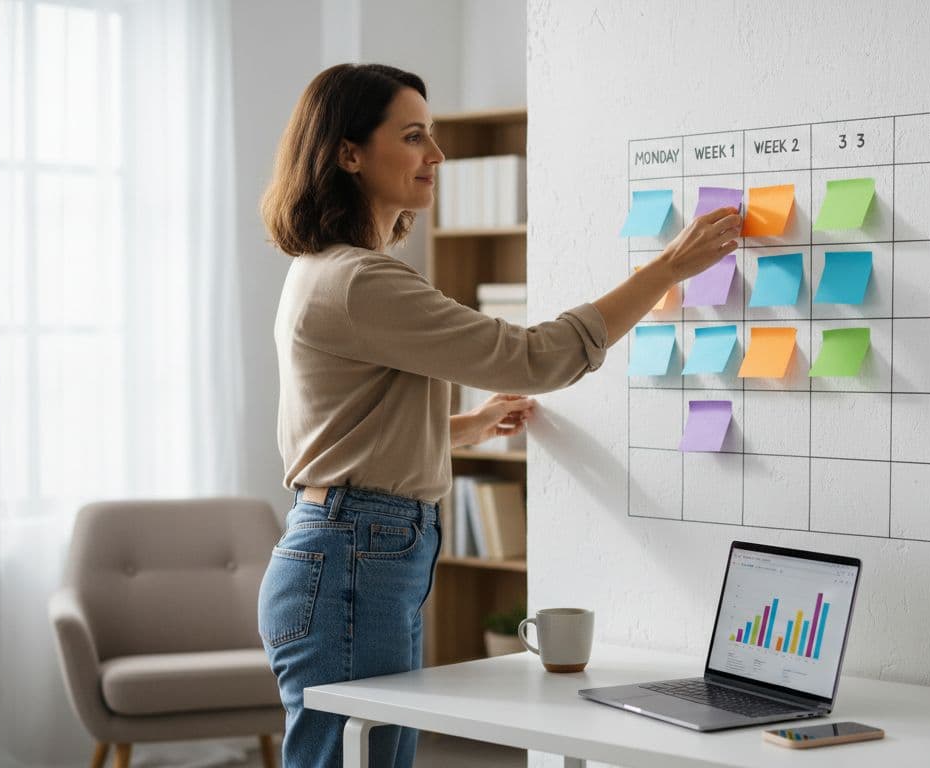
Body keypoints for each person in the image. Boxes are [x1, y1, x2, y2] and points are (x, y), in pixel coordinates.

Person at [255, 63, 741, 768]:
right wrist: (666, 268)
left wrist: (469, 428)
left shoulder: (325, 270)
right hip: (356, 555)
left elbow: (342, 433)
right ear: (349, 153)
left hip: (350, 547)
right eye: (415, 136)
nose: (437, 156)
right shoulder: (364, 281)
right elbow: (535, 356)